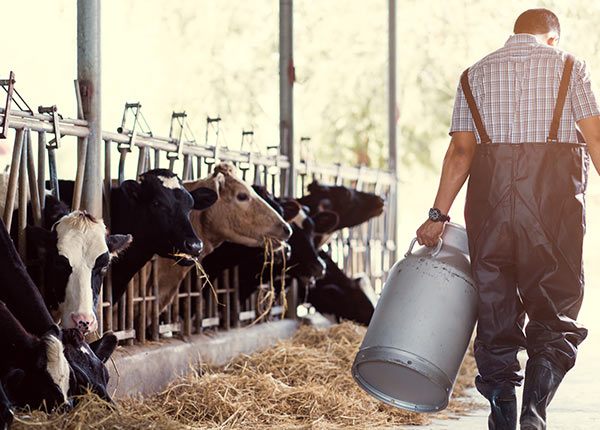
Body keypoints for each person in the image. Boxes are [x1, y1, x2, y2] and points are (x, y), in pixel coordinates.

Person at [416, 8, 600, 430]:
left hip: (489, 210)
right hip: (554, 213)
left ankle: (502, 414)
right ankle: (534, 413)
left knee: (495, 310)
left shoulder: (473, 75)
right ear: (553, 37)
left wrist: (437, 215)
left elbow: (461, 153)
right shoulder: (571, 66)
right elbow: (595, 139)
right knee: (554, 310)